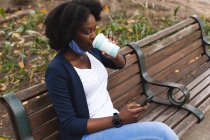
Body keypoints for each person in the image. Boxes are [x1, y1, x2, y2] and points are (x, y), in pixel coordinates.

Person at [44, 0, 179, 140]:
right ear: (68, 34)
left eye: (94, 29)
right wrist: (119, 119)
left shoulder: (91, 51)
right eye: (87, 31)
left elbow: (120, 63)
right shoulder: (57, 70)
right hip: (87, 135)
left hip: (112, 125)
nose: (93, 35)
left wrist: (113, 55)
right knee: (161, 133)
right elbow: (70, 124)